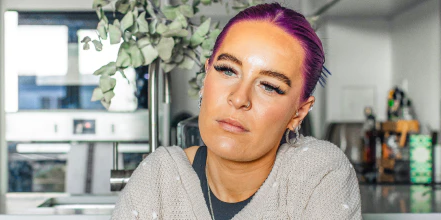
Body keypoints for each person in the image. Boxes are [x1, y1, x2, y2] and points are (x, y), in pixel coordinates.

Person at [111, 3, 361, 220]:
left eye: (270, 86)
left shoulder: (319, 172)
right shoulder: (156, 178)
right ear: (206, 75)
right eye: (227, 70)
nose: (239, 98)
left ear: (299, 113)